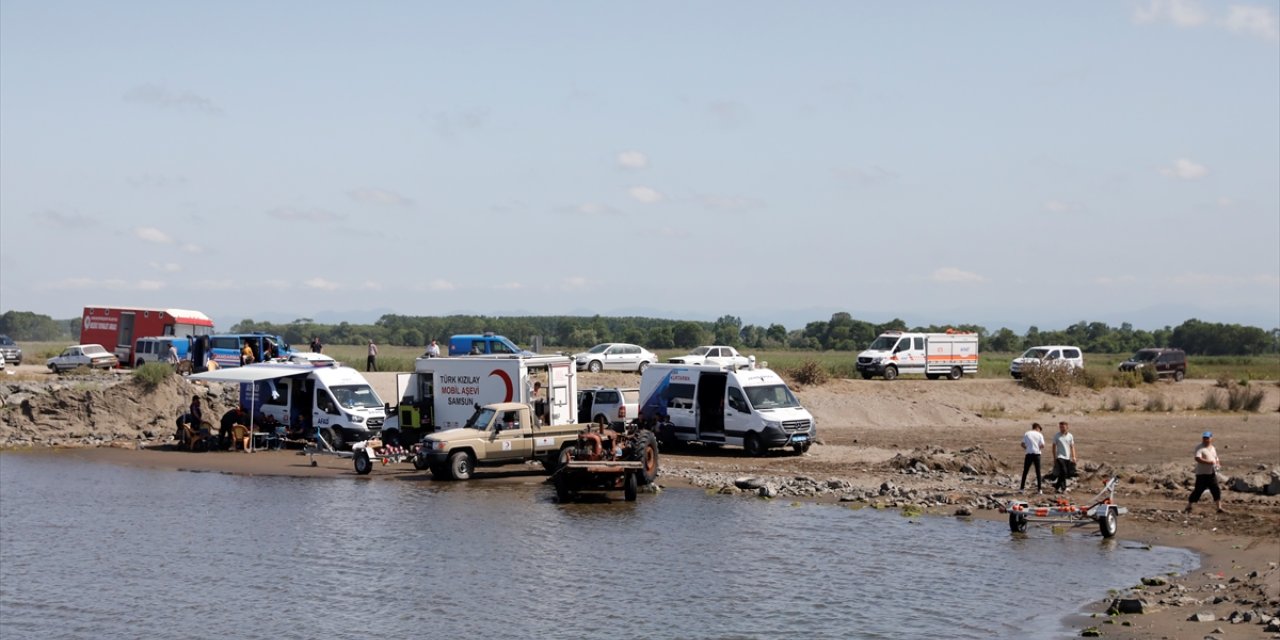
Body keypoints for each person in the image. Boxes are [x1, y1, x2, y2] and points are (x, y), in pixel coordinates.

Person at [1185, 432, 1225, 514]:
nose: (1206, 439)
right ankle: (1189, 506)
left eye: (1207, 438)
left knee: (1216, 489)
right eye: (1204, 438)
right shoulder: (1200, 448)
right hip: (1202, 473)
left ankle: (1219, 507)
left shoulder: (1213, 448)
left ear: (1211, 438)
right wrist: (1208, 462)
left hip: (1212, 473)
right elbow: (1197, 458)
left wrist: (1217, 463)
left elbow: (1216, 458)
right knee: (1198, 490)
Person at [1050, 421, 1076, 493]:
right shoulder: (1057, 436)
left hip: (1067, 457)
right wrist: (1054, 457)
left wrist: (1074, 456)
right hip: (1060, 456)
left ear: (1067, 427)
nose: (1062, 428)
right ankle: (1063, 488)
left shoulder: (1070, 436)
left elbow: (1072, 446)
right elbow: (1054, 447)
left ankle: (1057, 486)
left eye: (1063, 427)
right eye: (1060, 427)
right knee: (1064, 471)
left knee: (1063, 473)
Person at [1020, 422, 1045, 493]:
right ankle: (1039, 489)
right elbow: (1042, 445)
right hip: (1037, 454)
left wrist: (1027, 448)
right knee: (1038, 472)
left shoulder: (1027, 433)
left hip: (1029, 454)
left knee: (1025, 471)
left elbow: (1022, 444)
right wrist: (1038, 448)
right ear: (1037, 428)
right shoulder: (1040, 434)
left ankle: (1022, 488)